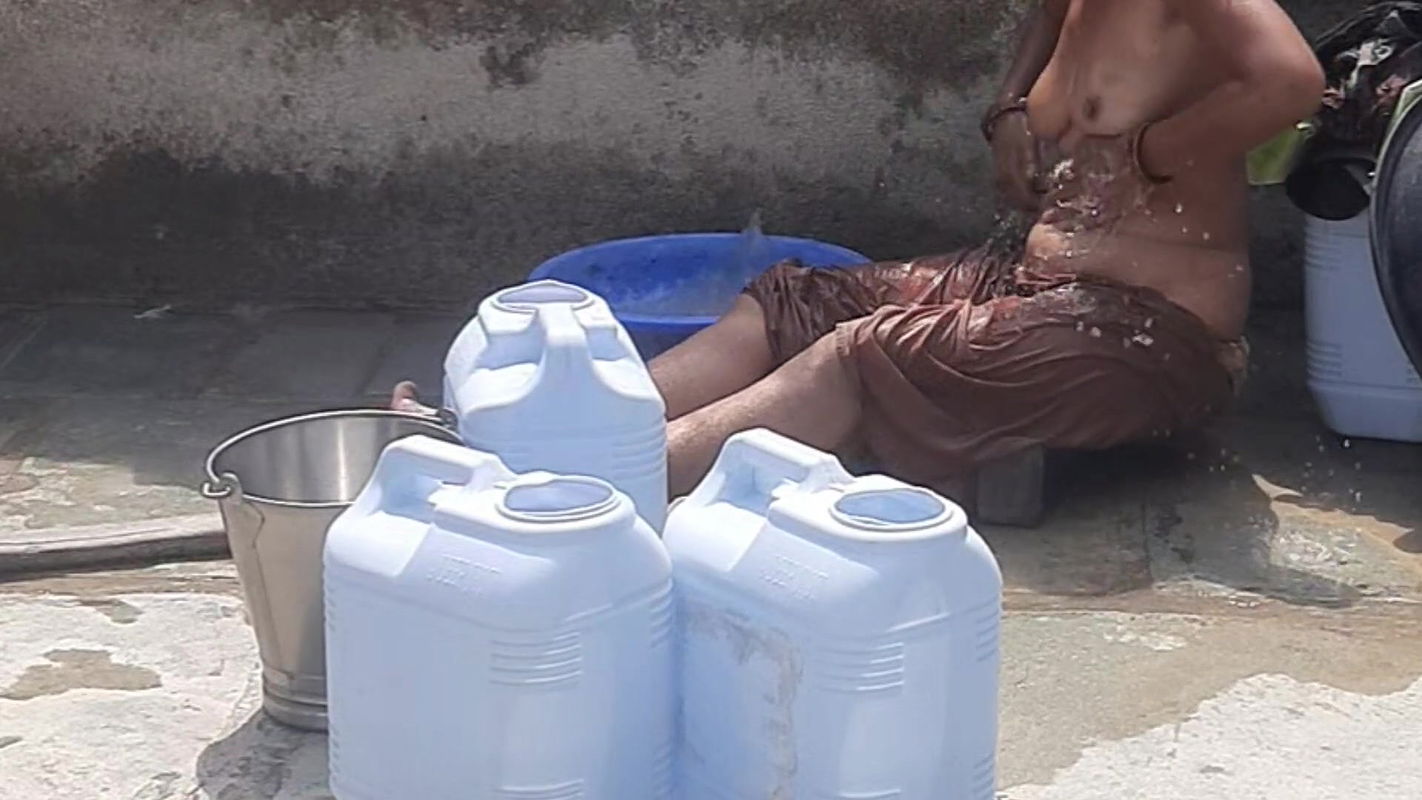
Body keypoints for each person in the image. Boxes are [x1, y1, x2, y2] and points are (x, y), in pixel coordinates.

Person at [397, 0, 1325, 517]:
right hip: (1040, 282)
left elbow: (1291, 79)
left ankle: (569, 490)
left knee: (861, 354)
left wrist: (1153, 154)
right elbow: (1048, 23)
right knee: (795, 299)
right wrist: (1007, 111)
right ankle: (526, 433)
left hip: (1150, 340)